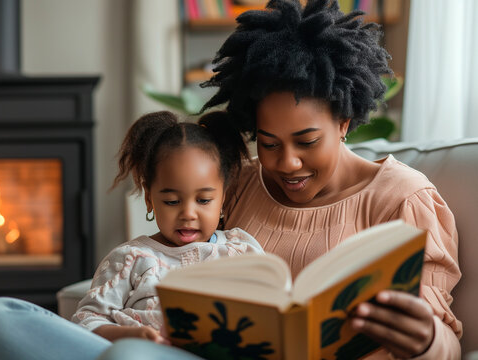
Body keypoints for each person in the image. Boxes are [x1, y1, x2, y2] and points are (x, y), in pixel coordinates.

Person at [103, 0, 461, 359]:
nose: (287, 164)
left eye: (307, 141)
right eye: (268, 142)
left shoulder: (404, 198)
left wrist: (427, 338)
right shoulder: (239, 184)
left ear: (344, 121)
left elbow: (446, 341)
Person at [0, 110, 264, 360]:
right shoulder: (130, 259)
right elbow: (85, 322)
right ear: (149, 198)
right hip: (120, 351)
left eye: (203, 200)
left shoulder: (240, 250)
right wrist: (130, 335)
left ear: (224, 197)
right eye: (172, 201)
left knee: (128, 356)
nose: (188, 213)